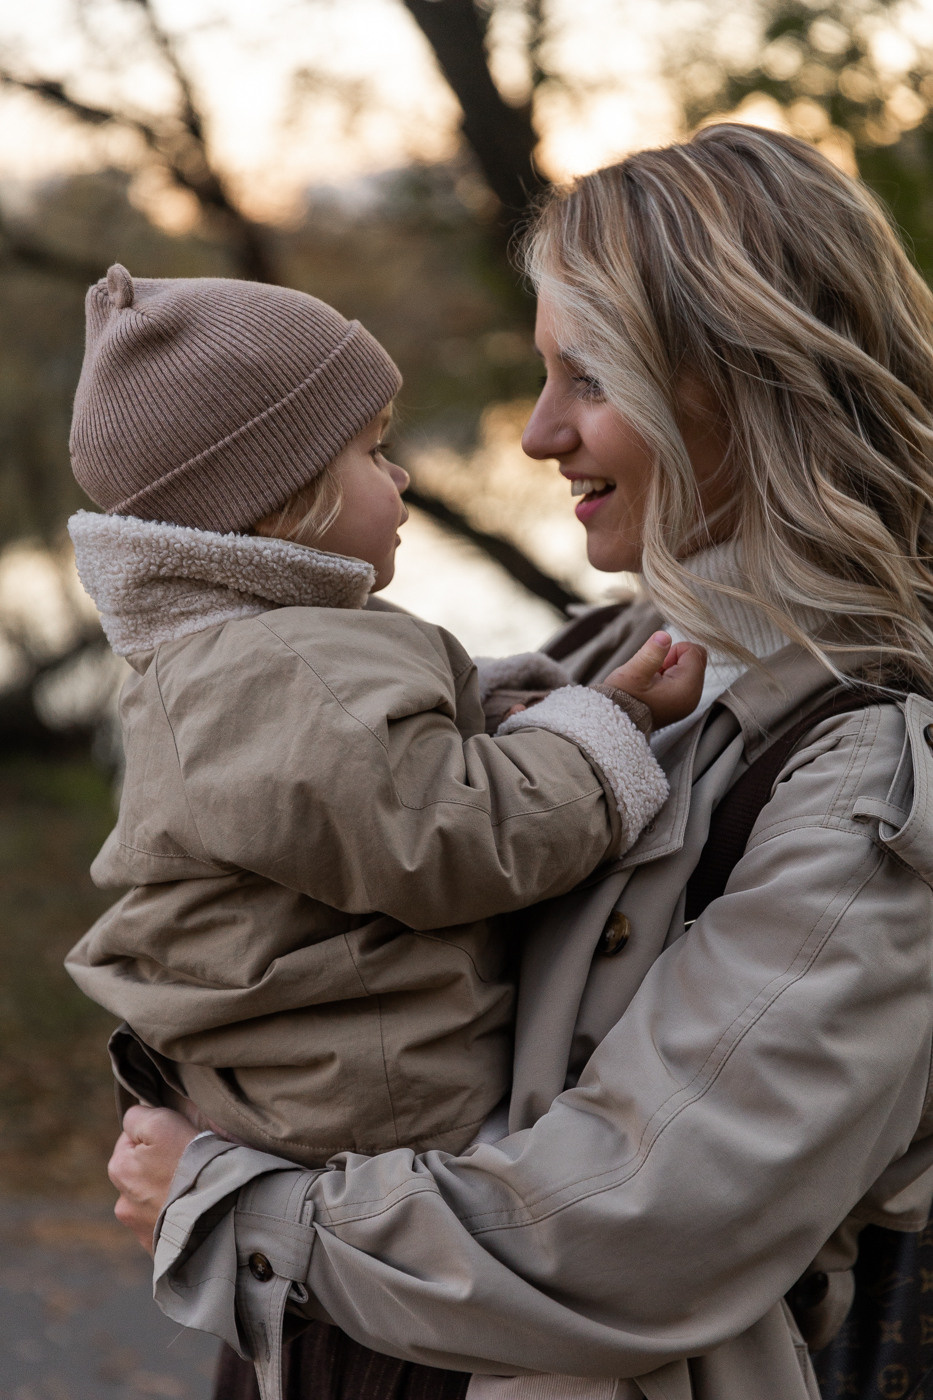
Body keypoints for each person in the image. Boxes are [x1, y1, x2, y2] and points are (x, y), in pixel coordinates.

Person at [106, 123, 933, 1400]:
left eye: (588, 378)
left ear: (746, 385)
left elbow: (631, 1231)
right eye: (544, 375)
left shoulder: (867, 778)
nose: (540, 433)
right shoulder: (600, 658)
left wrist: (234, 1206)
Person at [64, 265, 705, 1170]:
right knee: (600, 1185)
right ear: (280, 499)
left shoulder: (255, 657)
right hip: (376, 1107)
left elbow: (371, 771)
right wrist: (606, 727)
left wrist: (496, 713)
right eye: (371, 452)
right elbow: (454, 834)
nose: (400, 474)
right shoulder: (285, 670)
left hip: (324, 1082)